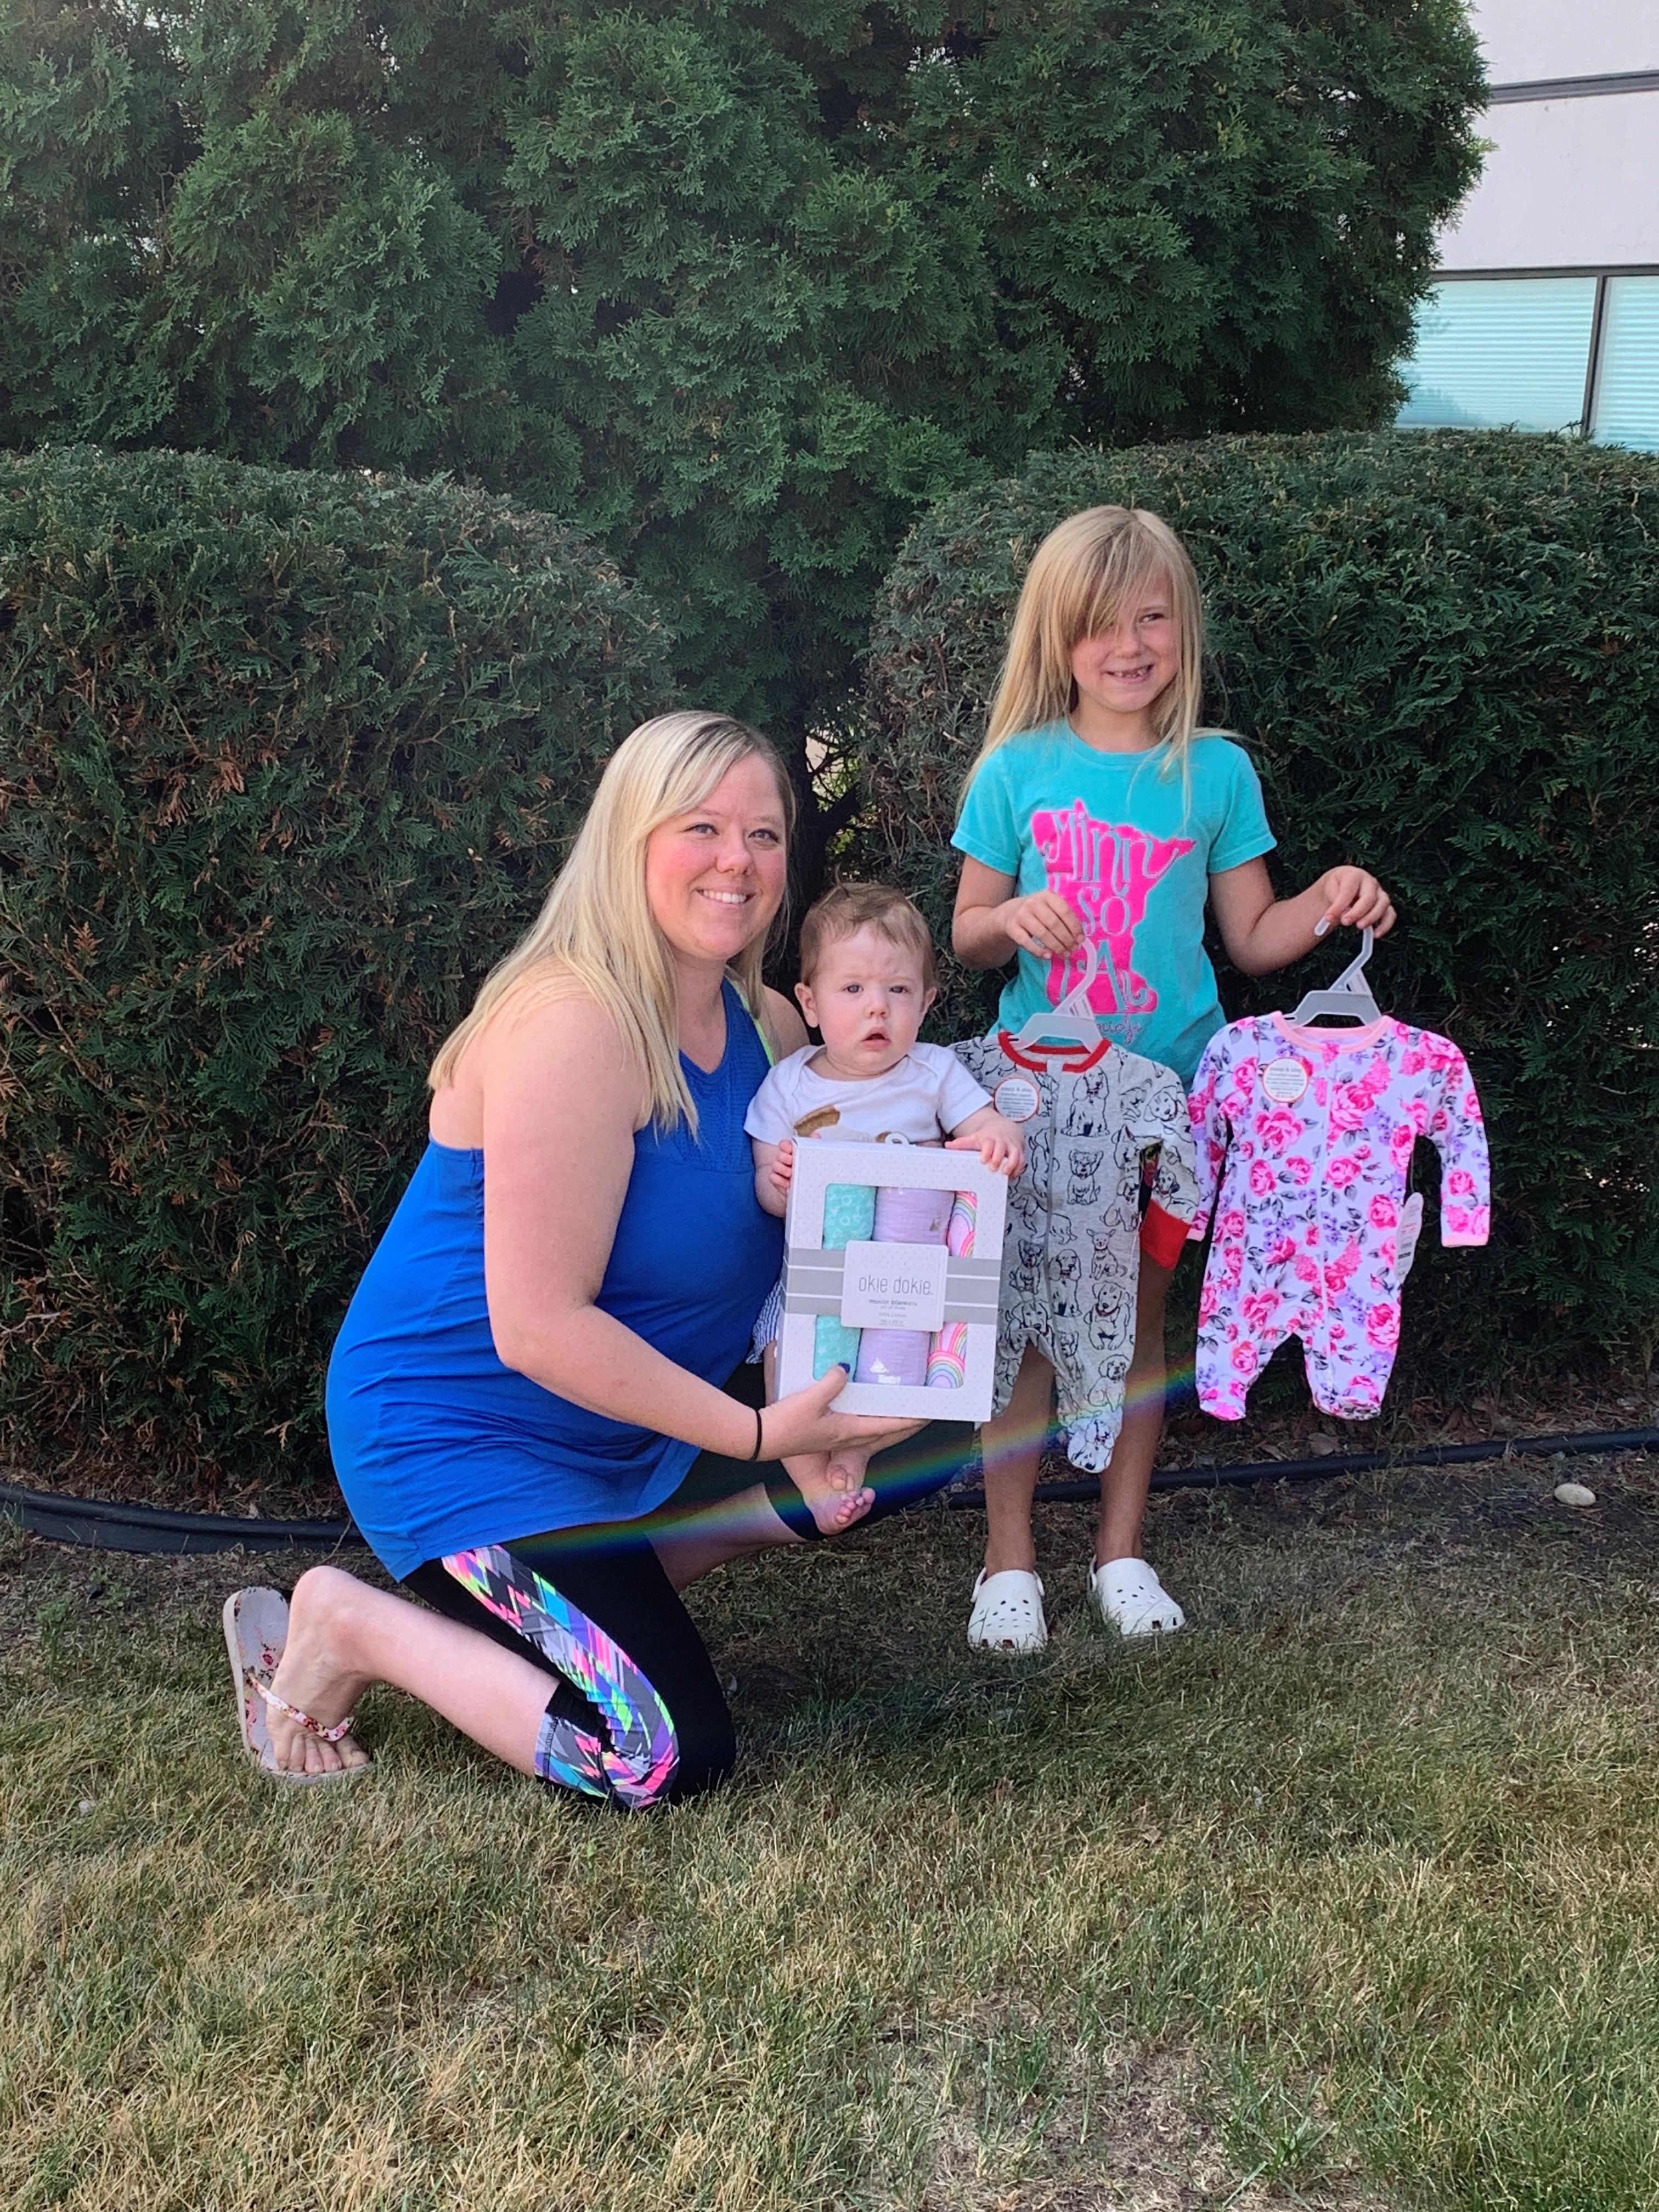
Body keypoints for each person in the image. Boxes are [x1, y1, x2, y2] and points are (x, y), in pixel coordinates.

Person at [222, 712, 975, 1805]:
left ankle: (600, 1583)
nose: (739, 861)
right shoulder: (573, 1023)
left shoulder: (769, 1023)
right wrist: (767, 1433)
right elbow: (539, 1327)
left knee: (920, 1418)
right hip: (466, 1440)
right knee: (661, 1759)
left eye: (765, 835)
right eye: (702, 828)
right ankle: (352, 1624)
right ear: (631, 839)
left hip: (635, 1430)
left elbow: (837, 1225)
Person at [950, 506, 1395, 1652]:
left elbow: (1254, 940)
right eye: (1102, 624)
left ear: (1182, 627)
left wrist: (1331, 896)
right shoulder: (1016, 769)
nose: (1130, 645)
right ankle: (1008, 1563)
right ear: (1060, 638)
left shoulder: (1217, 772)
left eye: (1152, 617)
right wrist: (1008, 914)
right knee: (1029, 1328)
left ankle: (1120, 1550)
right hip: (1037, 1107)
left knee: (1142, 1324)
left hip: (1175, 1113)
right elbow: (963, 936)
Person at [746, 882, 1025, 1519]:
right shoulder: (787, 1085)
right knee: (784, 1358)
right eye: (854, 990)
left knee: (905, 1368)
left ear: (926, 1002)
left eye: (898, 990)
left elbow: (984, 1124)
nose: (878, 1009)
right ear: (810, 1004)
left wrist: (1000, 1142)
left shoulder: (932, 1073)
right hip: (815, 1277)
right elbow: (765, 1185)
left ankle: (858, 1456)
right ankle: (811, 1480)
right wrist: (781, 1183)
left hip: (913, 1276)